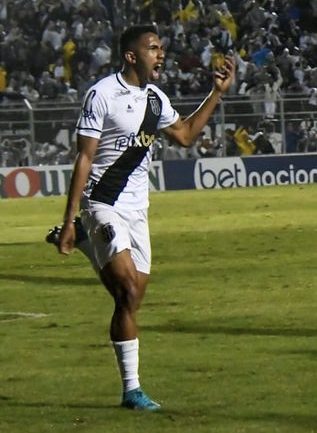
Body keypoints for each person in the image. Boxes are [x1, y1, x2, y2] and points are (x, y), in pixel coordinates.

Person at [53, 24, 235, 409]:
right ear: (131, 55)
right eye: (153, 48)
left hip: (138, 211)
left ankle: (90, 247)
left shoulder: (155, 99)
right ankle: (132, 390)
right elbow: (84, 158)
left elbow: (185, 135)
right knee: (129, 291)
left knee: (130, 300)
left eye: (161, 48)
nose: (161, 54)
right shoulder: (101, 94)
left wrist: (216, 94)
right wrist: (70, 219)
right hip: (102, 202)